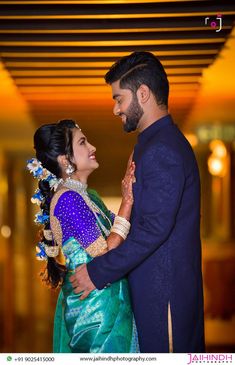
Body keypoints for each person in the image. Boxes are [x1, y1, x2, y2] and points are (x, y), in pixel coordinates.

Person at [69, 51, 206, 353]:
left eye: (119, 98)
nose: (116, 109)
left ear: (142, 93)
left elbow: (153, 229)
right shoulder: (155, 145)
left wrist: (97, 272)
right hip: (156, 293)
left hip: (164, 300)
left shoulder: (162, 150)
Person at [28, 119, 139, 353]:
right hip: (95, 311)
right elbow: (104, 252)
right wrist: (127, 201)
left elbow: (121, 229)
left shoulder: (87, 197)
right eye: (82, 142)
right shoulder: (68, 200)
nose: (93, 147)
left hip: (103, 300)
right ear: (65, 160)